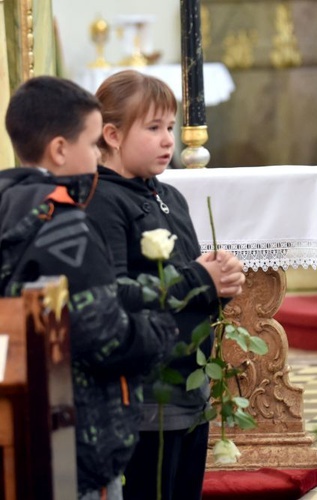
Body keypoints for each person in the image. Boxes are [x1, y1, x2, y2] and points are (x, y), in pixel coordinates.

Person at [0, 76, 179, 499]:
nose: (100, 155)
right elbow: (102, 334)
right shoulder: (65, 224)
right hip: (70, 437)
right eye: (95, 143)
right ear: (60, 149)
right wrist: (160, 330)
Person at [86, 70, 245, 500]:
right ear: (112, 135)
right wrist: (200, 278)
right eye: (153, 128)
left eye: (170, 127)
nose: (167, 140)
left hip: (188, 385)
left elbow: (188, 274)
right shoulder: (102, 201)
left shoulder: (169, 196)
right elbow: (114, 292)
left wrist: (220, 280)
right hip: (144, 395)